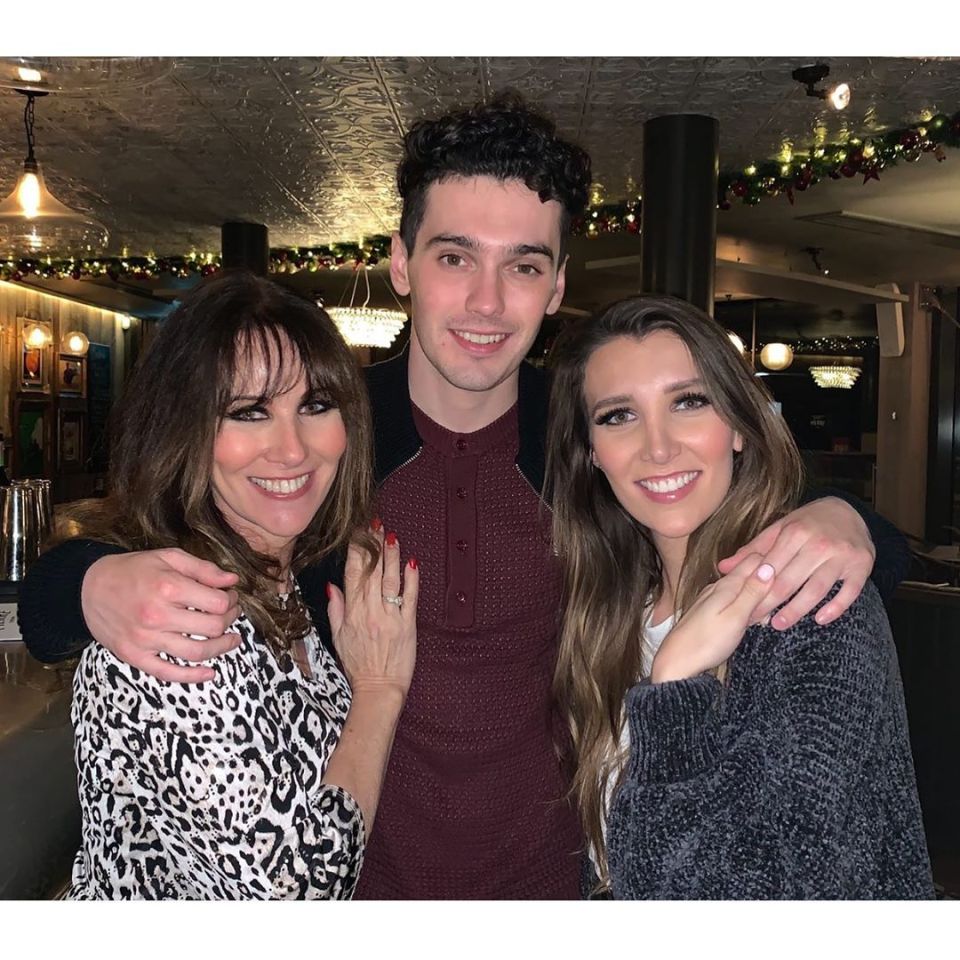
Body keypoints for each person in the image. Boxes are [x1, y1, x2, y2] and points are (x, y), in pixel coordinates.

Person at [22, 95, 905, 899]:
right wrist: (94, 583)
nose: (487, 301)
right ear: (402, 262)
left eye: (523, 266)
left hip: (564, 896)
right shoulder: (324, 438)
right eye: (455, 257)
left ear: (557, 286)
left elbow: (743, 506)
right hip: (353, 900)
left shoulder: (591, 441)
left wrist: (844, 519)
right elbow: (89, 569)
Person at [545, 295, 933, 899]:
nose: (658, 446)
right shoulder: (608, 614)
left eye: (689, 402)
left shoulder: (809, 608)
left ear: (739, 429)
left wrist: (675, 684)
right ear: (592, 452)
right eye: (618, 415)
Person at [63, 271, 418, 898]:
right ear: (184, 431)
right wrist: (381, 689)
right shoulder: (175, 620)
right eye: (248, 412)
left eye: (314, 405)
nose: (292, 449)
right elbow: (294, 893)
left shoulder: (292, 581)